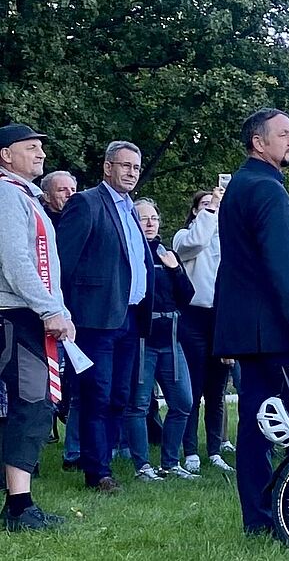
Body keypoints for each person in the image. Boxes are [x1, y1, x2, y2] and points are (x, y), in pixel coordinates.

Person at [213, 108, 289, 536]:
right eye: (284, 134)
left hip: (253, 333)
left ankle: (261, 521)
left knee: (255, 425)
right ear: (259, 142)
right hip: (280, 331)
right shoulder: (266, 190)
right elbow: (283, 267)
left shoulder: (242, 186)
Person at [55, 140, 156, 493]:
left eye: (136, 167)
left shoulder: (130, 209)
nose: (131, 173)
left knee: (119, 396)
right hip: (95, 319)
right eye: (125, 165)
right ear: (107, 167)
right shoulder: (87, 203)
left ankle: (105, 461)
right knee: (96, 395)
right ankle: (96, 472)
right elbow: (62, 262)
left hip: (129, 318)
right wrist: (63, 310)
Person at [0, 122, 74, 530]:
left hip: (25, 312)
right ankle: (19, 507)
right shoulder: (7, 195)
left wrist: (57, 307)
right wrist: (49, 309)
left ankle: (17, 501)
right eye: (30, 148)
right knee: (32, 404)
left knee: (28, 405)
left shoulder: (24, 195)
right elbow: (15, 261)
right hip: (16, 314)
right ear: (5, 155)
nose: (40, 154)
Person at [123, 199, 195, 480]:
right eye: (144, 218)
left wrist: (175, 269)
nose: (151, 223)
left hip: (172, 339)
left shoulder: (168, 253)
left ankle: (170, 463)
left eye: (154, 218)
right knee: (139, 405)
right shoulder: (131, 253)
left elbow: (187, 295)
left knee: (184, 403)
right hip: (143, 340)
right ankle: (142, 467)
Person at [172, 188, 234, 474]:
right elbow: (196, 241)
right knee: (193, 388)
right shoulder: (184, 238)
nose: (213, 208)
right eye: (205, 205)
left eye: (215, 205)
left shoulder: (227, 238)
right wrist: (212, 210)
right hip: (193, 317)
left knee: (217, 389)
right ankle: (190, 450)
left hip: (220, 317)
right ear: (196, 211)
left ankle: (214, 448)